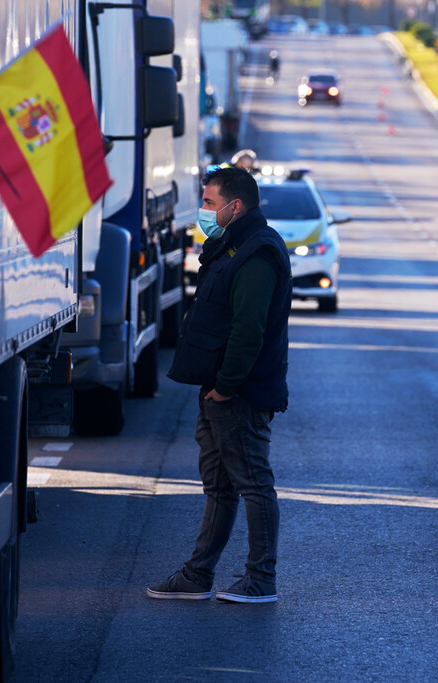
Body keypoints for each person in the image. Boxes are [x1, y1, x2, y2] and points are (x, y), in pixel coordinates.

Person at [146, 165, 292, 604]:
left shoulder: (256, 253)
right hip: (218, 390)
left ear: (236, 206)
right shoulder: (230, 245)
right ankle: (197, 575)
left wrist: (225, 387)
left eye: (209, 203)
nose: (203, 211)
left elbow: (249, 330)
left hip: (239, 394)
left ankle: (260, 579)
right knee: (220, 486)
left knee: (252, 482)